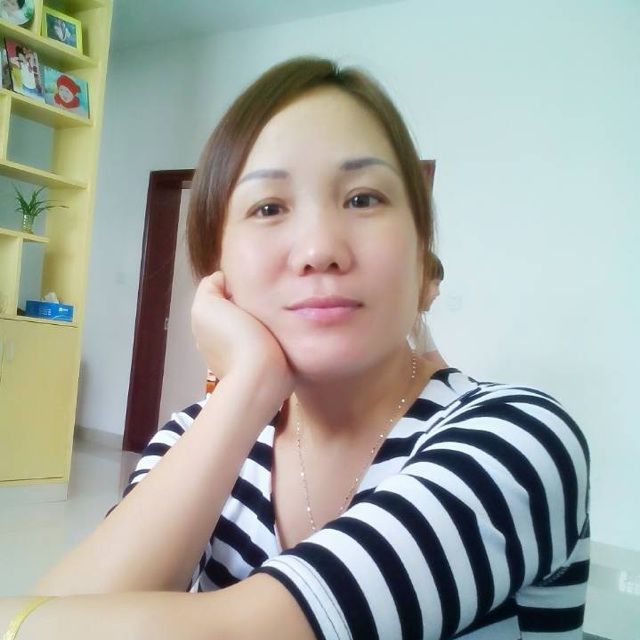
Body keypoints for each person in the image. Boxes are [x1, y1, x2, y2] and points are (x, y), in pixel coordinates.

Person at [0, 56, 590, 639]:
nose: (319, 249)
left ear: (421, 252)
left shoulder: (518, 438)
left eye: (363, 199)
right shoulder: (190, 438)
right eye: (269, 208)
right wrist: (248, 385)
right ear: (218, 271)